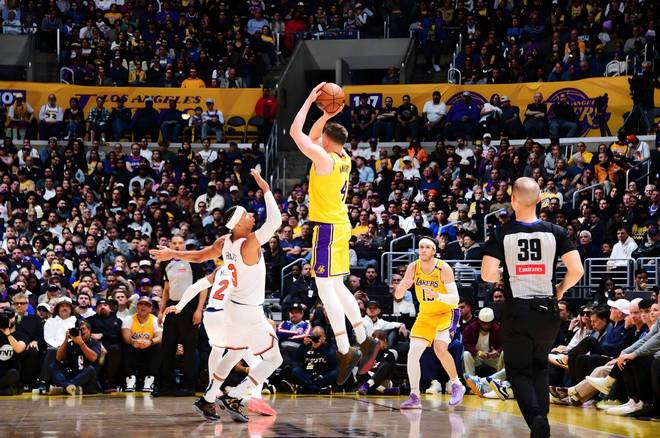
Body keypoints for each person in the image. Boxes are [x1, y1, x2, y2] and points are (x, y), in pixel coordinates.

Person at [152, 169, 282, 421]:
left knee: (233, 352)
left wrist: (173, 253)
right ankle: (236, 395)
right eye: (247, 215)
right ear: (239, 224)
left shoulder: (225, 242)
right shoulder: (249, 244)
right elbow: (275, 222)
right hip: (249, 311)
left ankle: (209, 398)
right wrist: (266, 189)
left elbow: (199, 256)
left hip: (231, 308)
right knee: (274, 359)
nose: (252, 216)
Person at [289, 82, 381, 386]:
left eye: (322, 139)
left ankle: (345, 347)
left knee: (324, 288)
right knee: (338, 286)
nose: (318, 140)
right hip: (342, 225)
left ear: (326, 142)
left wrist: (309, 100)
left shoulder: (324, 159)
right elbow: (315, 136)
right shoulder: (344, 158)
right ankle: (364, 337)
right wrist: (327, 115)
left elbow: (296, 132)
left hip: (327, 228)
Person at [481, 177, 584, 438]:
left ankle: (537, 420)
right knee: (540, 366)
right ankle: (542, 422)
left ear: (512, 200)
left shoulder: (502, 232)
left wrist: (504, 273)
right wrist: (559, 290)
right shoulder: (556, 231)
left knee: (518, 371)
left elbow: (487, 273)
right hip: (548, 310)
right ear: (539, 199)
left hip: (518, 310)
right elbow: (577, 270)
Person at [395, 237, 465, 409]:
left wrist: (437, 295)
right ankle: (414, 396)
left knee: (440, 348)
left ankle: (456, 384)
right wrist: (402, 287)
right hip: (425, 315)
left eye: (427, 247)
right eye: (421, 247)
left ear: (434, 251)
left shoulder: (443, 268)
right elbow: (397, 296)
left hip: (446, 313)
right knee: (413, 354)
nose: (423, 250)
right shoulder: (413, 267)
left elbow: (455, 299)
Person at [157, 234, 206, 396]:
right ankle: (168, 386)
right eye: (174, 243)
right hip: (171, 306)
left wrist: (199, 310)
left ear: (184, 245)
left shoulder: (193, 261)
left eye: (180, 243)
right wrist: (161, 311)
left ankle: (189, 386)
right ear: (170, 245)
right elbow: (166, 289)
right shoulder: (165, 263)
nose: (177, 245)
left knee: (189, 349)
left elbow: (203, 287)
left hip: (189, 308)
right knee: (167, 348)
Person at [122, 296, 162, 393]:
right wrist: (133, 342)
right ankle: (130, 379)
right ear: (137, 307)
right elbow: (126, 336)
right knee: (127, 346)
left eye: (146, 305)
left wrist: (150, 342)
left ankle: (150, 379)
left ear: (150, 308)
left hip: (149, 348)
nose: (143, 306)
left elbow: (160, 337)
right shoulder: (128, 319)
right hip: (134, 347)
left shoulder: (155, 320)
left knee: (159, 347)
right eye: (141, 304)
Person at [50, 320, 101, 395]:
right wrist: (66, 340)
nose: (81, 331)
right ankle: (72, 388)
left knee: (90, 369)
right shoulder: (72, 344)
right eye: (79, 329)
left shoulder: (95, 343)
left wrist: (81, 343)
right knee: (54, 366)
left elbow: (93, 358)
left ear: (89, 330)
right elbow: (59, 358)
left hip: (88, 380)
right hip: (73, 376)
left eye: (83, 329)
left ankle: (64, 388)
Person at [87, 298, 123, 392]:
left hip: (112, 347)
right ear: (96, 309)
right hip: (95, 346)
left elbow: (117, 336)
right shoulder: (90, 320)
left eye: (105, 305)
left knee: (115, 348)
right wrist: (99, 343)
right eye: (99, 306)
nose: (102, 307)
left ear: (110, 308)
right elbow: (86, 333)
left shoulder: (117, 321)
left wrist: (102, 335)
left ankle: (110, 382)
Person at [290, 326, 338, 394]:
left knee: (335, 372)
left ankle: (306, 388)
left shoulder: (330, 346)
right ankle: (318, 389)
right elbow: (296, 358)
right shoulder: (306, 346)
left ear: (324, 337)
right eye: (314, 336)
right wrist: (303, 345)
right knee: (296, 371)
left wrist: (320, 348)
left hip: (323, 375)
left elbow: (333, 360)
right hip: (308, 375)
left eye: (319, 336)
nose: (317, 338)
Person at [462, 307, 504, 376]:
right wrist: (477, 352)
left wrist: (497, 352)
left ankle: (499, 379)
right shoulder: (470, 328)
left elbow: (505, 344)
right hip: (476, 356)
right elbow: (465, 344)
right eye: (483, 323)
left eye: (488, 323)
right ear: (479, 321)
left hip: (491, 357)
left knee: (503, 353)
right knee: (466, 354)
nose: (486, 326)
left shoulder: (497, 329)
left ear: (492, 322)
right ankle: (471, 380)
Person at [0, 308, 26, 395]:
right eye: (5, 317)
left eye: (10, 317)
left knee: (14, 374)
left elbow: (18, 349)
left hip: (9, 373)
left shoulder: (21, 335)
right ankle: (5, 391)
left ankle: (5, 390)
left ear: (16, 318)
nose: (7, 319)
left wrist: (8, 334)